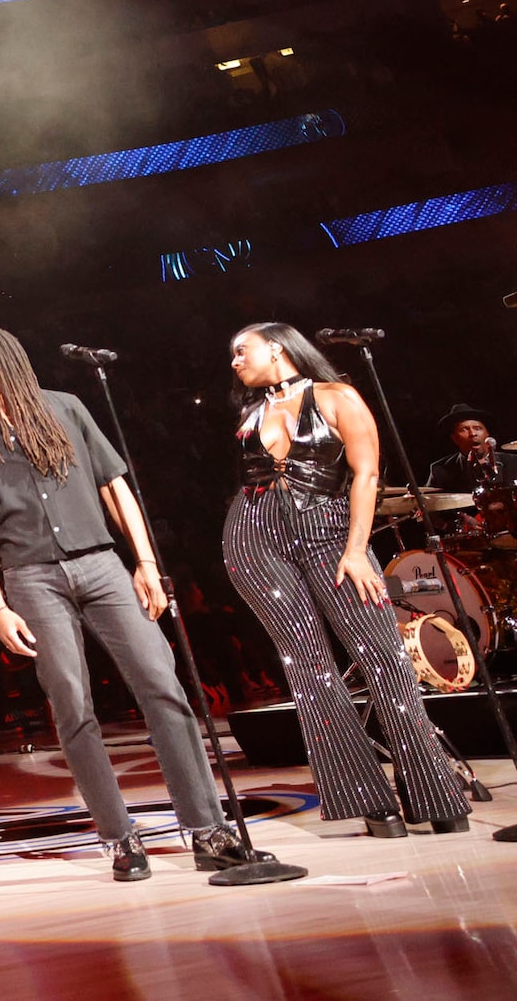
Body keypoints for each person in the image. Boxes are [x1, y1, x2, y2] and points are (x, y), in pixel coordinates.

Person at [0, 326, 242, 880]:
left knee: (162, 685)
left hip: (101, 563)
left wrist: (146, 563)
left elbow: (114, 486)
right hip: (31, 579)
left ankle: (206, 827)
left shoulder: (67, 408)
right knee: (73, 706)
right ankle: (119, 838)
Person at [223, 322, 469, 833]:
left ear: (276, 347)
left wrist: (358, 549)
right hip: (254, 539)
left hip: (333, 534)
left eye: (241, 351)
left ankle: (434, 792)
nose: (234, 361)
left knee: (384, 657)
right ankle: (368, 800)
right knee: (309, 670)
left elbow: (368, 475)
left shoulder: (337, 396)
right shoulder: (252, 413)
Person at [428, 404, 504, 495]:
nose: (472, 433)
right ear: (455, 438)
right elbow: (429, 501)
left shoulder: (513, 462)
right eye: (464, 429)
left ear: (487, 433)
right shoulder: (440, 470)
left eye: (477, 428)